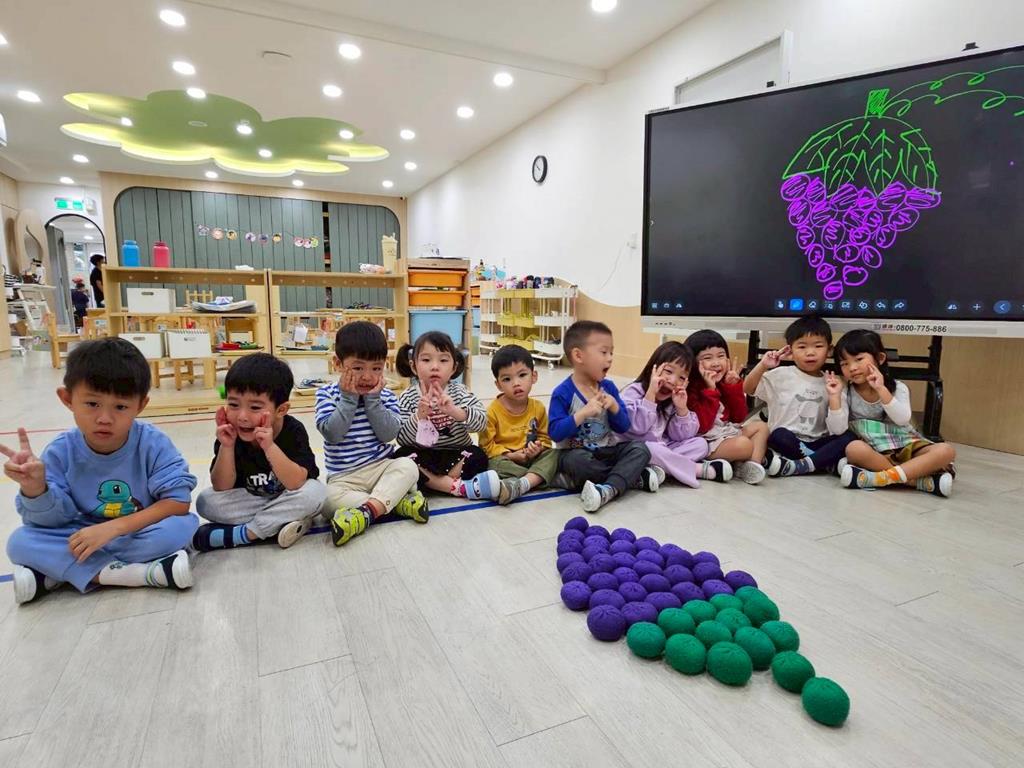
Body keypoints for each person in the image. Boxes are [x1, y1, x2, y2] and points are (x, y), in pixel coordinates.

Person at [3, 338, 198, 605]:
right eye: (92, 404)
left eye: (120, 407)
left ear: (141, 405)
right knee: (20, 542)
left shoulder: (153, 443)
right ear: (67, 399)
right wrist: (35, 489)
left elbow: (178, 503)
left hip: (135, 531)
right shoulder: (60, 451)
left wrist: (114, 528)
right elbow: (50, 521)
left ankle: (59, 574)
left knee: (180, 527)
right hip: (82, 536)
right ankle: (137, 573)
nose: (105, 418)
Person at [192, 353, 327, 551]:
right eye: (233, 405)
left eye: (254, 407)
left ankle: (245, 534)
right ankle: (282, 521)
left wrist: (270, 447)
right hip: (251, 501)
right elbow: (221, 486)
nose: (242, 416)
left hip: (288, 495)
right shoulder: (230, 432)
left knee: (316, 493)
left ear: (281, 410)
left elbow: (296, 483)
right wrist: (227, 446)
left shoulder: (293, 430)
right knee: (205, 501)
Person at [316, 322, 426, 547]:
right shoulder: (326, 394)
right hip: (344, 477)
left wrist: (373, 402)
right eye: (358, 368)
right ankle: (395, 503)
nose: (367, 376)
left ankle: (367, 511)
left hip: (381, 468)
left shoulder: (385, 395)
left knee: (407, 466)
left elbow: (388, 435)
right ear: (338, 364)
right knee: (324, 501)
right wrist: (349, 399)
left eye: (376, 368)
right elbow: (333, 434)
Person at [828, 329, 956, 496]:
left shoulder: (898, 387)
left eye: (859, 359)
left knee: (946, 451)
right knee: (853, 449)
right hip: (875, 452)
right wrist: (834, 397)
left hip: (904, 443)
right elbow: (837, 430)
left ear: (880, 358)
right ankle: (915, 481)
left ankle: (878, 478)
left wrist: (881, 389)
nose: (852, 368)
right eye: (844, 363)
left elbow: (902, 419)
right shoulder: (845, 391)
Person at [549, 320, 657, 513]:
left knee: (640, 449)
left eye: (611, 353)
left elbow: (623, 427)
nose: (610, 359)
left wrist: (615, 407)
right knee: (577, 462)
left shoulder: (609, 388)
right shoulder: (562, 392)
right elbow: (555, 433)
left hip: (607, 451)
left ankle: (608, 487)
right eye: (604, 352)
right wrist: (583, 413)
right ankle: (628, 479)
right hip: (576, 454)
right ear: (578, 355)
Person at [743, 315, 854, 476]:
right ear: (790, 351)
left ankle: (801, 464)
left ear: (829, 350)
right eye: (802, 347)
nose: (810, 353)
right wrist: (763, 365)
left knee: (849, 437)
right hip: (787, 441)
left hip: (818, 443)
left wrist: (834, 397)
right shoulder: (780, 375)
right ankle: (823, 462)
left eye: (818, 346)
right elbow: (748, 388)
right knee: (778, 435)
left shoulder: (834, 383)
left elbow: (838, 430)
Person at [394, 331, 500, 499]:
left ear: (454, 368)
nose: (435, 366)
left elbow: (481, 423)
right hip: (423, 456)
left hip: (456, 454)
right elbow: (401, 438)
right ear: (413, 366)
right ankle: (459, 487)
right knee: (400, 456)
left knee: (479, 456)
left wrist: (456, 412)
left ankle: (435, 484)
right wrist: (418, 417)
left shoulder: (460, 392)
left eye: (443, 360)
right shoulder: (408, 397)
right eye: (426, 360)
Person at [620, 341, 726, 487]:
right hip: (633, 450)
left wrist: (682, 409)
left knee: (700, 444)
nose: (673, 381)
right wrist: (650, 395)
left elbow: (681, 437)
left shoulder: (671, 401)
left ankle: (657, 469)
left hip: (662, 449)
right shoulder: (634, 391)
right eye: (668, 371)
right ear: (653, 368)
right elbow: (638, 427)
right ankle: (697, 470)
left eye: (681, 378)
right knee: (651, 449)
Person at [685, 329, 769, 484]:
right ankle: (724, 462)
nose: (716, 363)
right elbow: (702, 426)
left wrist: (733, 387)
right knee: (744, 445)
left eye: (721, 356)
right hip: (706, 442)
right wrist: (710, 390)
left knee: (761, 426)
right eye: (707, 358)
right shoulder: (690, 388)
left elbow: (739, 417)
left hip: (726, 433)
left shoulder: (724, 382)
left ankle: (751, 466)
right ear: (693, 363)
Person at [481, 344, 559, 505]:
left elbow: (546, 440)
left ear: (534, 376)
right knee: (492, 464)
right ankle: (538, 478)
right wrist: (511, 455)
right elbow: (486, 446)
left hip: (531, 458)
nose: (516, 383)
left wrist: (537, 449)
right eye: (507, 379)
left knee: (554, 454)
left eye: (522, 375)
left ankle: (522, 483)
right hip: (506, 460)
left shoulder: (538, 407)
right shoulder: (492, 412)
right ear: (498, 384)